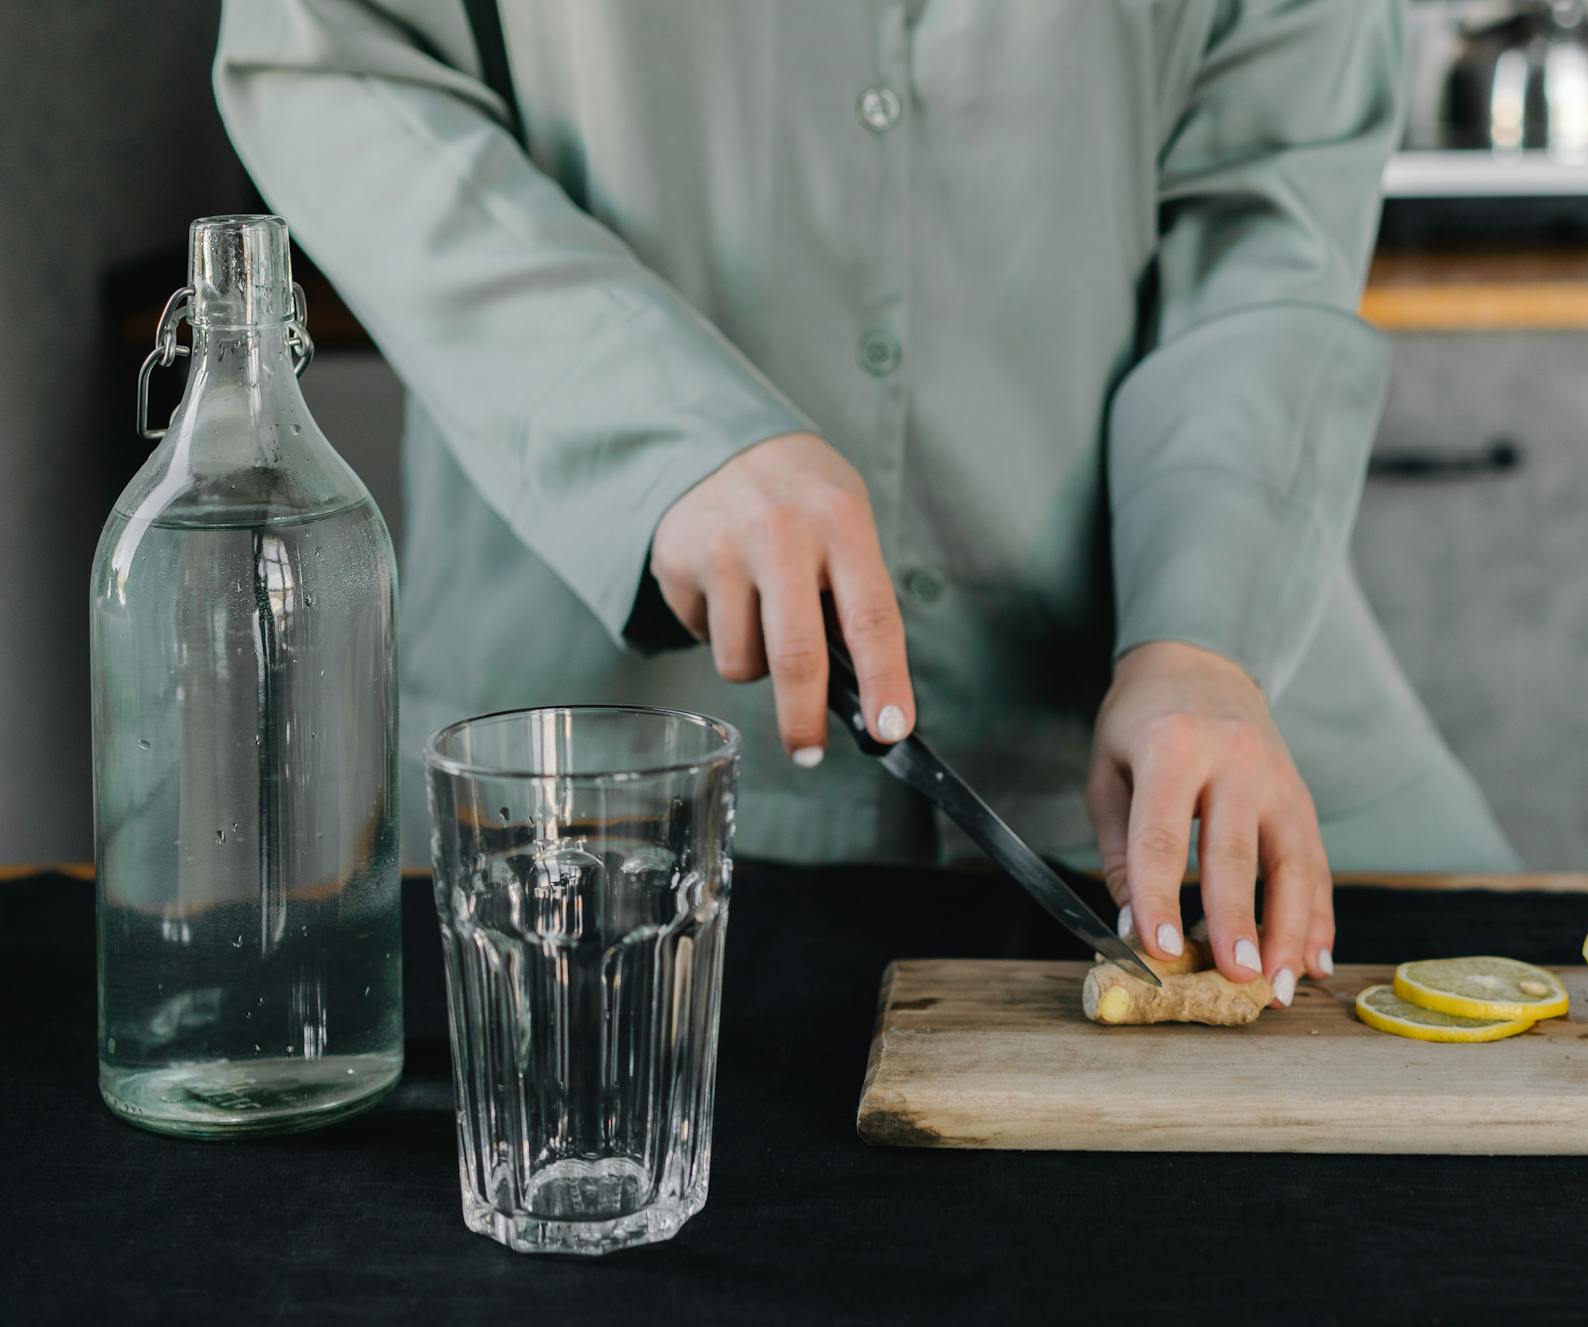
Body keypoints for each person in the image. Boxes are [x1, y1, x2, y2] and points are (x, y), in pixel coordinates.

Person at [214, 0, 1516, 1010]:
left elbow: (1263, 218)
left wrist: (1199, 634)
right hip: (600, 769)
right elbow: (325, 54)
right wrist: (661, 427)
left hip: (1171, 711)